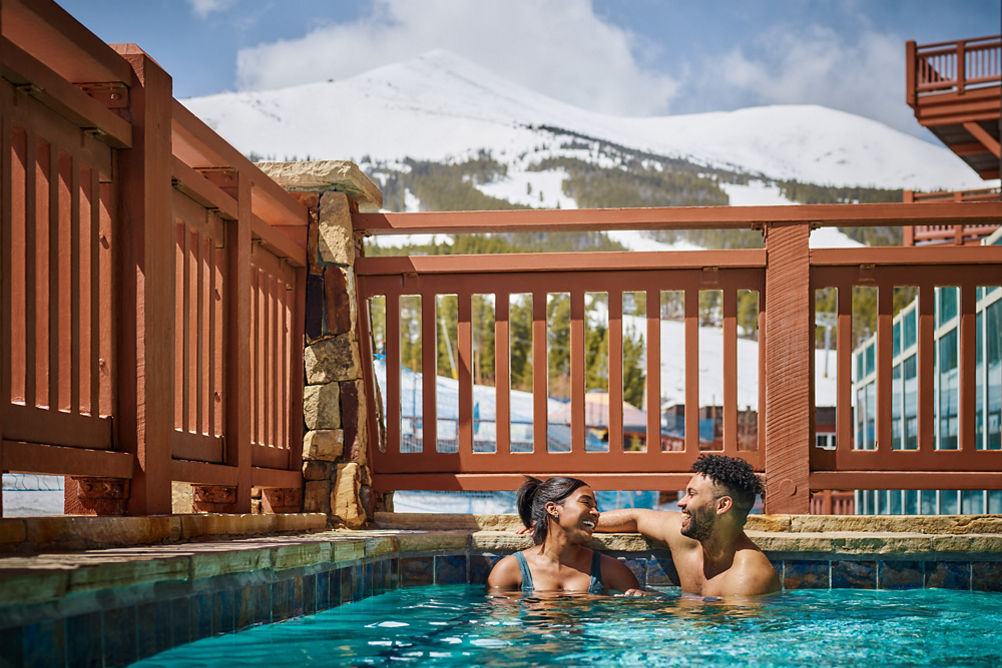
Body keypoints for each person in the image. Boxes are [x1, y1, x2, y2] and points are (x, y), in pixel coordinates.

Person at [596, 454, 780, 597]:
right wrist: (575, 524)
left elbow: (723, 638)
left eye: (692, 494)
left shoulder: (747, 578)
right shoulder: (684, 536)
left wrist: (657, 605)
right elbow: (635, 517)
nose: (681, 502)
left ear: (722, 505)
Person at [488, 476, 645, 595]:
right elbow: (502, 630)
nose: (596, 512)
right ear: (553, 509)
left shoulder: (610, 570)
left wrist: (641, 597)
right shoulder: (510, 570)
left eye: (596, 507)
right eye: (586, 503)